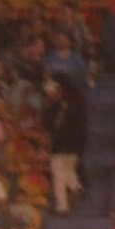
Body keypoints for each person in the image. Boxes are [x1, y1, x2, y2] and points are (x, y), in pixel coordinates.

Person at [44, 79, 86, 215]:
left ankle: (62, 206)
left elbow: (50, 128)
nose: (50, 95)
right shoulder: (73, 105)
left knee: (58, 176)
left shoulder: (56, 108)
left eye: (52, 93)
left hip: (61, 146)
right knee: (67, 172)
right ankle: (76, 187)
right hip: (72, 147)